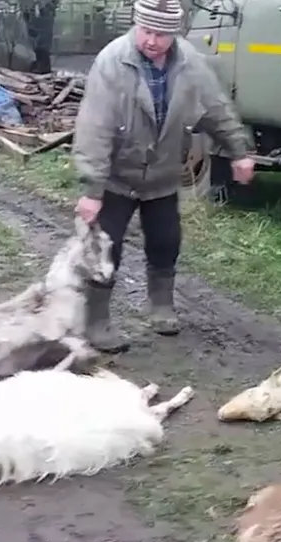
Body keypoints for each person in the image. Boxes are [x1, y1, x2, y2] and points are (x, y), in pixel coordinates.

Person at [71, 0, 255, 353]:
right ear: (136, 25)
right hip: (116, 176)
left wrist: (239, 151)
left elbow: (215, 108)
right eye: (147, 31)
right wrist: (92, 189)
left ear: (176, 33)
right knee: (105, 249)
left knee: (165, 241)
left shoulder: (188, 63)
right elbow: (95, 128)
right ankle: (95, 322)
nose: (152, 40)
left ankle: (160, 305)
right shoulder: (112, 62)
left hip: (163, 174)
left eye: (162, 33)